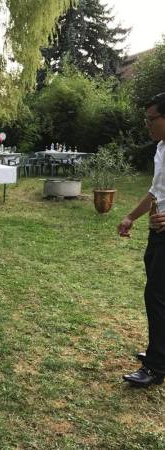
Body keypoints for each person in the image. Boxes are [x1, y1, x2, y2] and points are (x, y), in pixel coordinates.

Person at [118, 92, 165, 387]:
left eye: (152, 120)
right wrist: (130, 217)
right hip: (156, 232)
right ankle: (159, 352)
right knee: (158, 294)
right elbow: (155, 191)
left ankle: (156, 366)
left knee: (157, 296)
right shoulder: (161, 148)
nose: (147, 125)